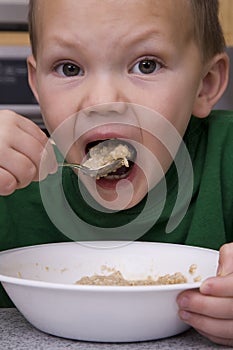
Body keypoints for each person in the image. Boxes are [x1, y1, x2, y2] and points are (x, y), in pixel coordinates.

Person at [0, 0, 233, 345]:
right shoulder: (10, 178)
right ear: (36, 83)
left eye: (146, 65)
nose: (102, 101)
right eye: (69, 68)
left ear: (205, 84)